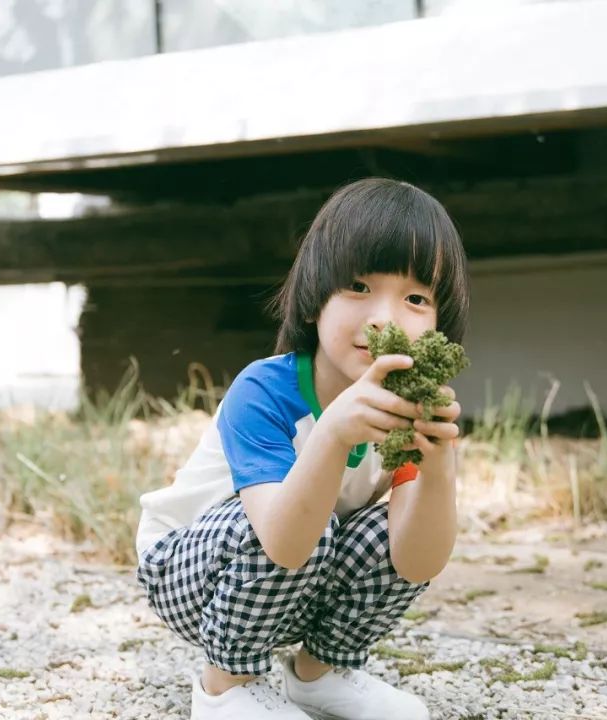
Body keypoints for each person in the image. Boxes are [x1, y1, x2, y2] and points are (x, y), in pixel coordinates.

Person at [136, 177, 470, 719]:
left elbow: (415, 559)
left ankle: (319, 674)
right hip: (189, 569)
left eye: (414, 298)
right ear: (315, 301)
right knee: (307, 523)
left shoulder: (407, 410)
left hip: (290, 575)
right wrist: (334, 434)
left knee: (383, 530)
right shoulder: (265, 392)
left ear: (438, 326)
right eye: (359, 287)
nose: (384, 318)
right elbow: (285, 541)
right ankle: (225, 685)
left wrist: (437, 470)